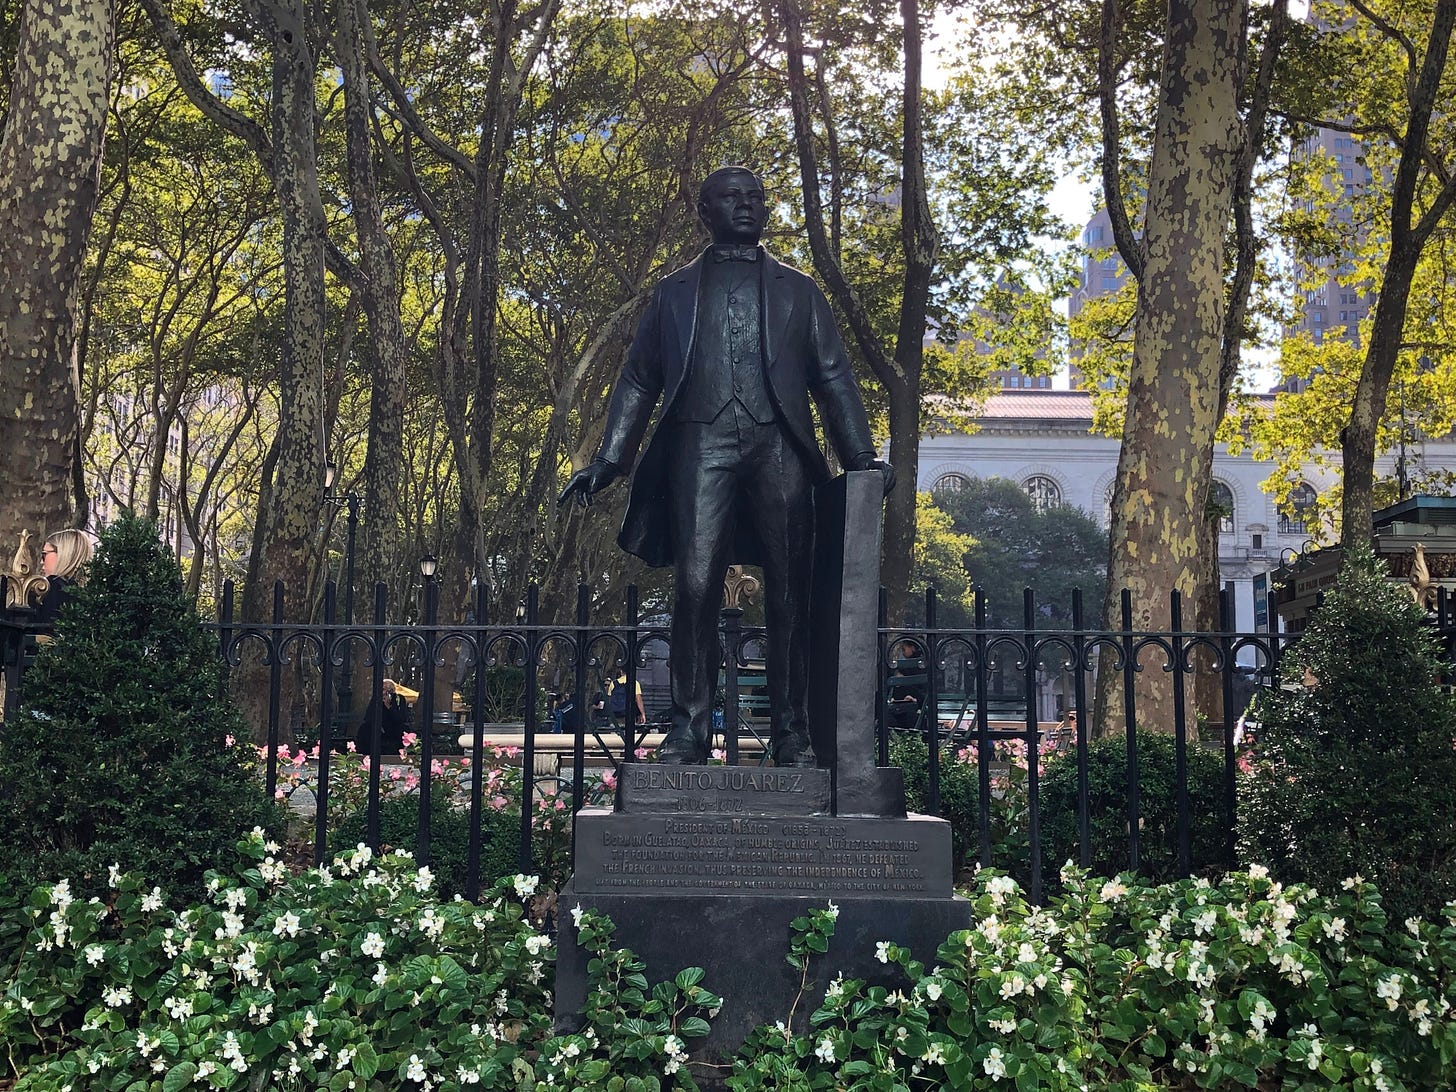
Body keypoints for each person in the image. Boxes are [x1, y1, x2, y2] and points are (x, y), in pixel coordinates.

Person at [559, 166, 893, 766]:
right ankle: (688, 729)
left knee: (791, 593)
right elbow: (638, 377)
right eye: (732, 198)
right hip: (698, 444)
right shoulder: (672, 292)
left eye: (756, 198)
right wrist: (609, 458)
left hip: (781, 446)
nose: (748, 206)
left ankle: (792, 731)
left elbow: (834, 377)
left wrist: (861, 457)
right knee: (694, 587)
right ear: (704, 211)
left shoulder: (800, 291)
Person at [36, 528, 93, 624]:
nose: (41, 562)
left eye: (44, 555)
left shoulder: (50, 586)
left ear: (63, 554)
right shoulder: (89, 594)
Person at [357, 678, 411, 756]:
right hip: (380, 727)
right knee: (364, 728)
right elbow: (369, 717)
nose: (385, 692)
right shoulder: (376, 698)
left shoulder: (399, 699)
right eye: (383, 689)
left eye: (389, 690)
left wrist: (389, 706)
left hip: (394, 727)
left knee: (404, 728)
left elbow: (401, 718)